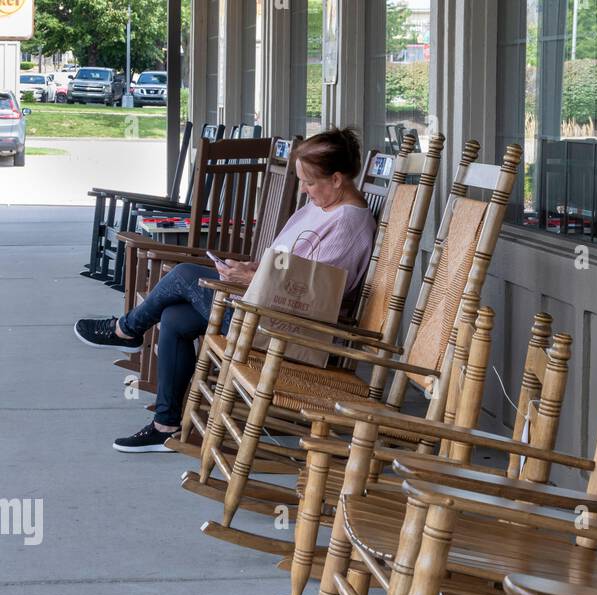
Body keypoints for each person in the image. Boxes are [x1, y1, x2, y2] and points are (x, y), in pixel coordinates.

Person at [73, 128, 376, 454]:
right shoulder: (322, 206)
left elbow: (316, 295)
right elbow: (288, 264)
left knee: (186, 273)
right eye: (301, 180)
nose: (303, 190)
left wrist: (250, 280)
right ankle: (166, 425)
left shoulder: (348, 224)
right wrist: (248, 270)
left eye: (310, 182)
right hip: (260, 307)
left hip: (284, 328)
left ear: (337, 179)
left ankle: (127, 329)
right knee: (175, 318)